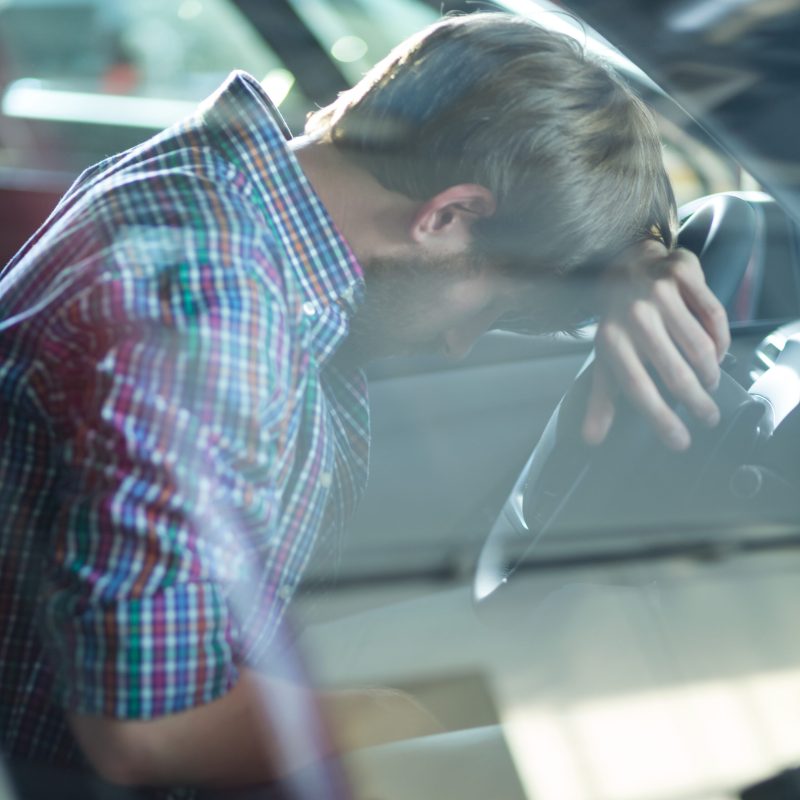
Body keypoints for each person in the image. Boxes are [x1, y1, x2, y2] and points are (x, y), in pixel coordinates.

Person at [0, 10, 728, 793]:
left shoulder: (227, 180)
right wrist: (439, 722)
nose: (460, 344)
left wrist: (635, 252)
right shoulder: (211, 307)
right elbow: (151, 733)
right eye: (491, 312)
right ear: (448, 216)